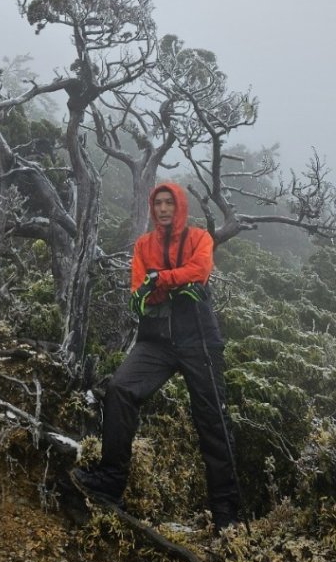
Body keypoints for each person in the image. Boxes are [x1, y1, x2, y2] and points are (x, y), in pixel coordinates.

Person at [71, 181, 241, 533]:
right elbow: (139, 292)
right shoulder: (143, 245)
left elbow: (199, 272)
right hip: (157, 339)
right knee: (120, 389)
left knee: (213, 422)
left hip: (199, 339)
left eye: (169, 203)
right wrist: (171, 287)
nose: (163, 209)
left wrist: (160, 280)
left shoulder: (199, 238)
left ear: (179, 206)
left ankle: (227, 515)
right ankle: (110, 481)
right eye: (158, 203)